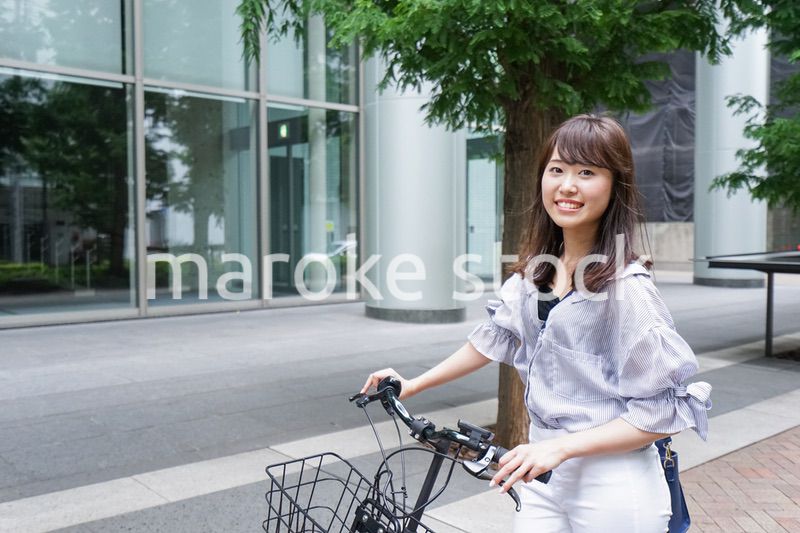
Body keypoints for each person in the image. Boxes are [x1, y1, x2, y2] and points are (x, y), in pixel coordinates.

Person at [360, 114, 712, 533]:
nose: (567, 185)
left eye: (587, 172)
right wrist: (412, 385)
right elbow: (494, 339)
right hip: (542, 473)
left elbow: (658, 411)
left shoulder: (627, 290)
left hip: (613, 483)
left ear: (615, 185)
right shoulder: (536, 273)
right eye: (557, 170)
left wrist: (562, 448)